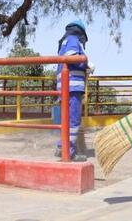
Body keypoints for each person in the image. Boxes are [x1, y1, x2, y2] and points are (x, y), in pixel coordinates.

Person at [55, 19, 94, 162]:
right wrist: (86, 63)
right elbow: (73, 58)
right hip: (73, 87)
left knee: (66, 119)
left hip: (64, 87)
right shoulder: (73, 40)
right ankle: (68, 151)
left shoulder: (63, 42)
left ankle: (62, 147)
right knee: (73, 120)